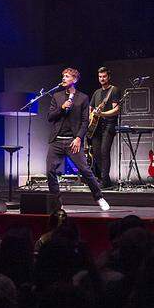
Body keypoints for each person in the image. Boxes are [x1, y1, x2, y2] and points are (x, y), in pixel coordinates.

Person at [46, 68, 110, 211]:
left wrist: (79, 138)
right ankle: (57, 203)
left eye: (67, 76)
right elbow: (50, 117)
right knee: (50, 171)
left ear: (74, 80)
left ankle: (99, 197)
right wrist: (61, 108)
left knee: (85, 170)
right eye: (63, 76)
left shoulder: (83, 98)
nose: (63, 78)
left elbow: (85, 121)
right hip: (56, 140)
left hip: (72, 141)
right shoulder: (56, 96)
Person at [89, 67, 120, 189]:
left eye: (104, 76)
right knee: (96, 153)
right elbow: (91, 108)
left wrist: (102, 114)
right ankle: (103, 179)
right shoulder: (96, 93)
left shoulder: (114, 90)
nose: (102, 79)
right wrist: (90, 117)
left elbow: (116, 110)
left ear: (108, 77)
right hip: (96, 126)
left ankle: (105, 181)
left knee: (104, 151)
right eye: (100, 77)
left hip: (109, 124)